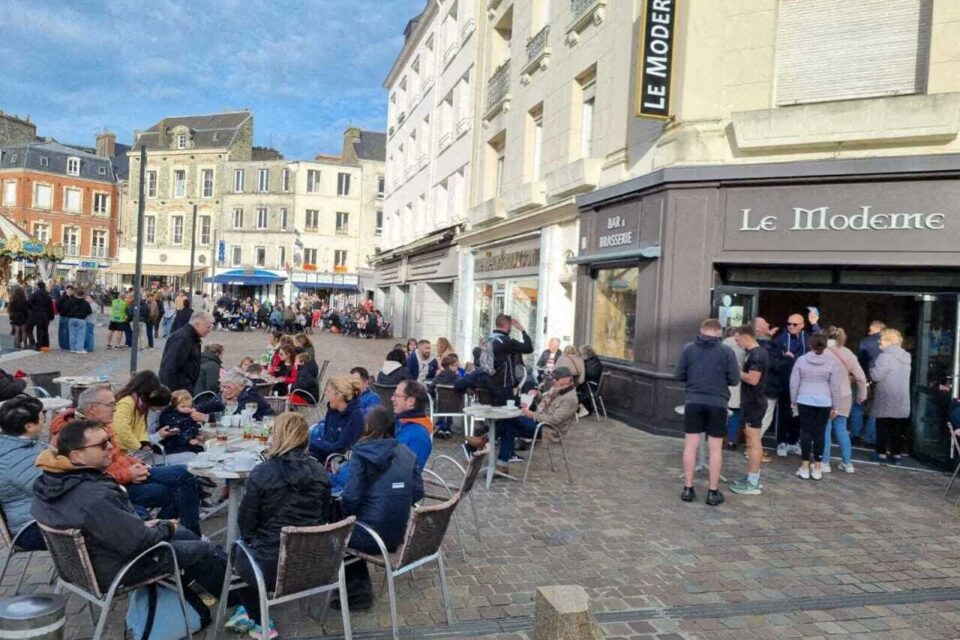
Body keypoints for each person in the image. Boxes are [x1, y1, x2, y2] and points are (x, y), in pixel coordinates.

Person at [32, 420, 227, 620]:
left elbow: (107, 527)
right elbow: (139, 541)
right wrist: (167, 527)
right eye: (102, 444)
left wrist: (142, 526)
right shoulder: (94, 494)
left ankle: (205, 586)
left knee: (185, 535)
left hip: (86, 565)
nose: (110, 446)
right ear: (76, 456)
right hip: (116, 568)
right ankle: (237, 599)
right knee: (203, 550)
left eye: (109, 440)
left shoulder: (49, 483)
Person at [225, 412, 332, 637]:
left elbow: (246, 524)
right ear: (305, 438)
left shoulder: (262, 473)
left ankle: (257, 617)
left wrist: (256, 540)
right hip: (315, 564)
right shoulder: (321, 473)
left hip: (270, 567)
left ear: (277, 436)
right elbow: (324, 517)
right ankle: (254, 610)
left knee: (236, 550)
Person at [50, 386, 199, 533]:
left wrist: (139, 465)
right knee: (173, 490)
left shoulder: (101, 425)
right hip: (115, 487)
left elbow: (118, 454)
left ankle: (174, 532)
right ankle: (170, 533)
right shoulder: (72, 436)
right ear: (93, 408)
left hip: (128, 473)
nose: (115, 409)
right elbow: (89, 479)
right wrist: (128, 474)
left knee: (185, 474)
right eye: (110, 405)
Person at [339, 407, 423, 610]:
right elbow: (418, 492)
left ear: (368, 427)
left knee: (337, 529)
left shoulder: (361, 454)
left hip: (369, 535)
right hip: (398, 533)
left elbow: (350, 498)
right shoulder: (407, 453)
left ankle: (356, 591)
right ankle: (355, 587)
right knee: (348, 523)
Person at [676, 318, 740, 506]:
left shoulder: (688, 349)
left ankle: (688, 488)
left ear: (701, 330)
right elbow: (734, 380)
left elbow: (679, 375)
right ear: (719, 332)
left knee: (690, 446)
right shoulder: (727, 352)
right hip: (718, 402)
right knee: (715, 448)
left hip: (694, 400)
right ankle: (713, 491)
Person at [472, 366, 578, 476]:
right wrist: (538, 395)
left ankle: (484, 441)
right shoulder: (559, 388)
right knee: (508, 425)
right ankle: (500, 464)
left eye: (557, 379)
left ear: (567, 379)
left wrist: (532, 415)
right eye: (554, 379)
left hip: (548, 430)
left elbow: (554, 420)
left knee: (509, 422)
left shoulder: (570, 398)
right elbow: (546, 404)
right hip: (540, 422)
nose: (554, 381)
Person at [789, 333, 843, 480]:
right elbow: (835, 386)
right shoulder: (832, 363)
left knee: (805, 432)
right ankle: (818, 467)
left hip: (804, 398)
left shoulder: (801, 360)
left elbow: (794, 382)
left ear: (810, 345)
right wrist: (836, 406)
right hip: (824, 400)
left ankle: (804, 466)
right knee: (820, 433)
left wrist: (793, 400)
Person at [0, 396, 48, 551]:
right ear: (29, 426)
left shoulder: (21, 444)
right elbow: (48, 489)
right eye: (42, 415)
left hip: (44, 516)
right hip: (29, 527)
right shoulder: (14, 458)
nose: (44, 419)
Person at [775, 310, 822, 457]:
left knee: (799, 412)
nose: (791, 326)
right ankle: (781, 441)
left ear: (802, 325)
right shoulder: (781, 338)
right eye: (789, 323)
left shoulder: (807, 337)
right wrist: (784, 359)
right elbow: (774, 358)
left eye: (795, 324)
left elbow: (821, 341)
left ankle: (793, 441)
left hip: (804, 381)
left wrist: (815, 324)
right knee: (784, 412)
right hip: (785, 381)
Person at [729, 326, 769, 496]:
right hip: (751, 402)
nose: (737, 343)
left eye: (738, 340)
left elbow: (753, 379)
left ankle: (753, 482)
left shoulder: (756, 355)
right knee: (751, 440)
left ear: (745, 337)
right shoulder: (754, 354)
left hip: (755, 403)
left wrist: (736, 371)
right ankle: (752, 477)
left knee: (753, 442)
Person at [823, 326, 868, 473]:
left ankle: (825, 462)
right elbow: (861, 378)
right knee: (841, 428)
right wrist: (862, 395)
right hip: (844, 395)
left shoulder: (821, 351)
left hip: (826, 394)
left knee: (825, 428)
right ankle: (847, 463)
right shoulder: (848, 353)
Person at [871, 328, 912, 465]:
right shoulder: (906, 356)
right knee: (897, 428)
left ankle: (881, 453)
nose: (879, 342)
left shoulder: (885, 357)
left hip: (886, 396)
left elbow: (877, 376)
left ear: (889, 341)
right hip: (901, 397)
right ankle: (896, 454)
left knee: (882, 426)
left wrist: (871, 370)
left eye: (882, 339)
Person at [113, 371, 177, 455]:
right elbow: (122, 429)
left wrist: (144, 443)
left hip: (129, 449)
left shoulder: (141, 404)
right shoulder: (127, 402)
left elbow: (142, 426)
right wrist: (138, 446)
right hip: (119, 449)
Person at [309, 375, 366, 460]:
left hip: (339, 460)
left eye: (329, 391)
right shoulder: (332, 409)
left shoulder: (356, 417)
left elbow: (340, 448)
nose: (325, 393)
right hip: (324, 454)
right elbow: (327, 437)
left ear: (338, 396)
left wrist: (315, 443)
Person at [485, 314, 534, 406]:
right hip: (504, 385)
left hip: (490, 382)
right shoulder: (507, 341)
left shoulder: (490, 339)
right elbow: (528, 348)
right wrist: (522, 330)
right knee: (507, 411)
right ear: (507, 325)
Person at [159, 311, 213, 393]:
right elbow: (168, 368)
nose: (209, 330)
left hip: (185, 387)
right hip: (178, 390)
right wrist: (169, 394)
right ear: (197, 324)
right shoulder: (183, 338)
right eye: (208, 327)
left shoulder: (191, 338)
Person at [852, 320, 886, 446]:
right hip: (881, 380)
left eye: (871, 330)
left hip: (865, 378)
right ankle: (870, 437)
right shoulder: (888, 344)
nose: (869, 332)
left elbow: (861, 361)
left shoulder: (866, 342)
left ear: (877, 329)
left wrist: (859, 377)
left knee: (859, 406)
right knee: (876, 409)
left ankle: (855, 435)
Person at [199, 369, 275, 421]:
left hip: (262, 427)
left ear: (241, 386)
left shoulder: (250, 395)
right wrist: (194, 410)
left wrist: (208, 417)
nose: (224, 390)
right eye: (223, 387)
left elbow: (237, 417)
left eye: (228, 387)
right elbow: (206, 406)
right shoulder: (223, 395)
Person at [390, 380, 433, 470]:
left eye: (397, 396)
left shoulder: (418, 436)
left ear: (411, 401)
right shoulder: (401, 422)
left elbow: (405, 471)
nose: (392, 399)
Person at [157, 390, 208, 463]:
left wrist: (196, 434)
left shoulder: (188, 414)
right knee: (197, 453)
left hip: (186, 441)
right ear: (175, 406)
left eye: (189, 406)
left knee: (203, 450)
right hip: (172, 444)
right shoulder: (170, 417)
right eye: (183, 407)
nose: (187, 409)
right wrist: (188, 440)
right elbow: (175, 433)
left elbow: (191, 426)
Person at [27, 280, 53, 352]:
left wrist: (33, 308)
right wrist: (51, 316)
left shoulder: (35, 294)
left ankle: (40, 345)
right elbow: (50, 306)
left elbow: (29, 303)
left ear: (38, 287)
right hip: (46, 315)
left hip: (38, 314)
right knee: (45, 330)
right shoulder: (48, 295)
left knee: (39, 330)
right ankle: (46, 344)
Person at [65, 287, 91, 353]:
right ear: (83, 295)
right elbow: (89, 312)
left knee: (72, 334)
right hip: (81, 319)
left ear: (76, 294)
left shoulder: (72, 301)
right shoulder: (86, 303)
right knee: (81, 334)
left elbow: (67, 309)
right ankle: (79, 348)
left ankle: (72, 348)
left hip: (72, 319)